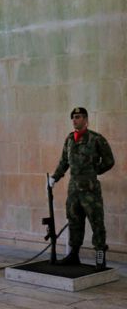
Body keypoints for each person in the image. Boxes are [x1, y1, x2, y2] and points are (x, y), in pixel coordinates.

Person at [49, 107, 114, 270]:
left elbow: (109, 161)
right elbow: (64, 161)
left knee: (97, 223)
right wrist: (54, 177)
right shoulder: (70, 139)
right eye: (73, 118)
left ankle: (100, 258)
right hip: (73, 190)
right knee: (74, 222)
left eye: (77, 117)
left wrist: (95, 171)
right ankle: (74, 255)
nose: (74, 120)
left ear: (85, 119)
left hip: (90, 190)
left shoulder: (96, 139)